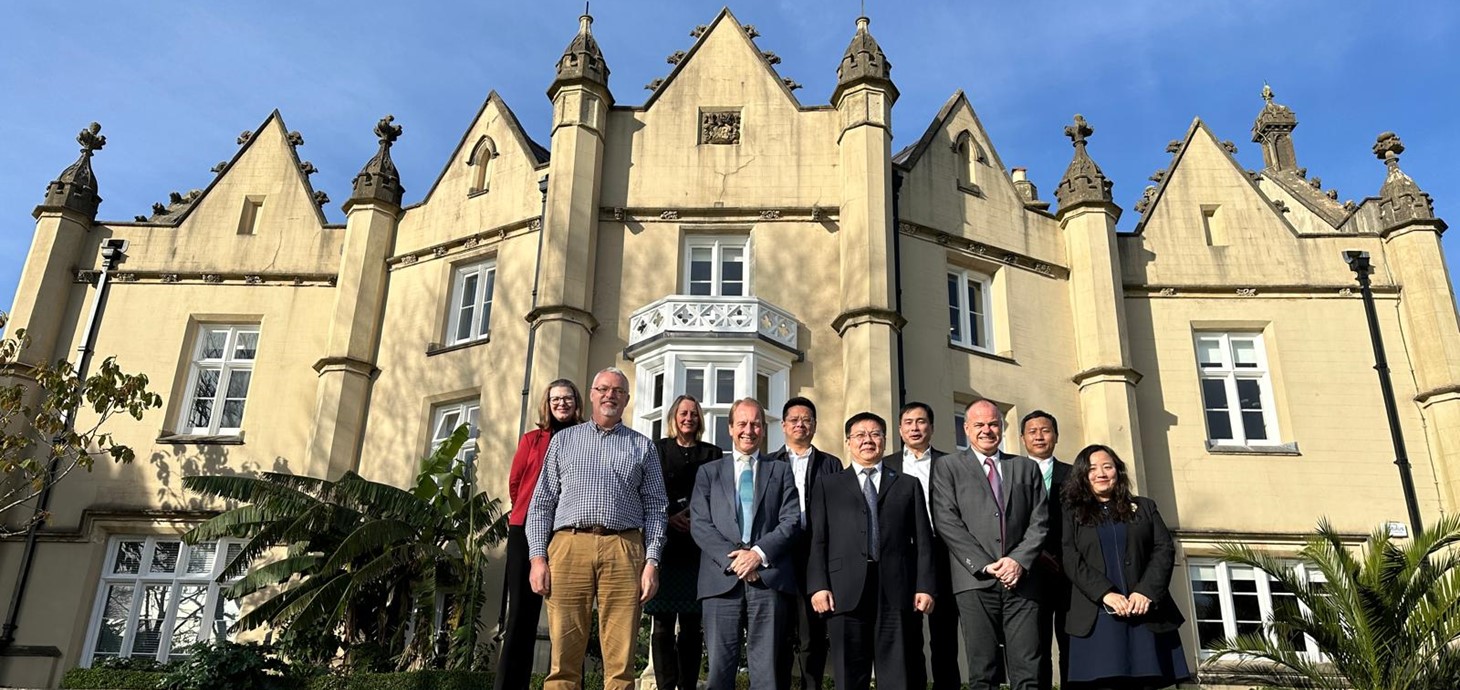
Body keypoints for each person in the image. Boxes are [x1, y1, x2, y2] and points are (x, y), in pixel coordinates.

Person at [526, 367, 669, 690]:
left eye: (618, 391)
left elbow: (657, 508)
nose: (610, 395)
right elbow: (541, 504)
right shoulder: (564, 441)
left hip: (625, 548)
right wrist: (537, 558)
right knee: (563, 657)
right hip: (568, 546)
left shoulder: (642, 447)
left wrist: (652, 562)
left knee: (620, 662)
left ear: (626, 399)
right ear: (591, 395)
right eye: (603, 389)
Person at [808, 411, 936, 690]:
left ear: (885, 440)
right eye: (860, 435)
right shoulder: (828, 485)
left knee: (898, 675)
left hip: (896, 590)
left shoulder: (907, 484)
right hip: (844, 591)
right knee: (849, 675)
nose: (868, 440)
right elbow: (818, 540)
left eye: (875, 434)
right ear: (848, 442)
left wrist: (925, 586)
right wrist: (818, 586)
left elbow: (924, 542)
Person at [931, 399, 1049, 690]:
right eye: (980, 425)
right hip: (974, 581)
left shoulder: (1026, 468)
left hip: (1021, 581)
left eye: (993, 424)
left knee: (1028, 669)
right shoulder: (947, 466)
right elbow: (947, 520)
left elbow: (1040, 521)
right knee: (983, 670)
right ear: (966, 429)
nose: (987, 430)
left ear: (1002, 427)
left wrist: (1017, 561)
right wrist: (985, 564)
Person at [690, 398, 801, 690]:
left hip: (768, 580)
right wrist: (737, 562)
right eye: (742, 423)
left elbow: (790, 520)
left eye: (755, 424)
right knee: (719, 674)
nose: (748, 430)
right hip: (720, 581)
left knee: (767, 676)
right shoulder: (709, 472)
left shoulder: (781, 471)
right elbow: (700, 525)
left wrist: (757, 555)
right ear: (730, 428)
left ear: (763, 430)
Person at [1060, 445, 1190, 690]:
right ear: (1082, 475)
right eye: (1092, 469)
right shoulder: (1072, 513)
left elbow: (1164, 549)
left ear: (1117, 472)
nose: (1101, 473)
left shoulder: (1145, 507)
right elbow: (1070, 556)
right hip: (1096, 619)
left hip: (1145, 615)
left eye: (1107, 467)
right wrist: (1105, 593)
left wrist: (1146, 592)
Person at [497, 379, 583, 690]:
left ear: (577, 403)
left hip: (567, 531)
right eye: (556, 399)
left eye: (568, 398)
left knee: (572, 616)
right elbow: (516, 484)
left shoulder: (584, 438)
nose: (562, 403)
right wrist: (531, 512)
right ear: (547, 404)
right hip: (524, 529)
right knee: (521, 615)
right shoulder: (532, 440)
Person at [883, 401, 961, 690]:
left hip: (943, 555)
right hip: (902, 558)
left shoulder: (950, 463)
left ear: (931, 427)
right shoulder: (887, 465)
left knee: (944, 638)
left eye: (921, 422)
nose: (915, 428)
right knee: (908, 637)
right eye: (908, 422)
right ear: (900, 429)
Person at [648, 395, 722, 690]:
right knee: (663, 624)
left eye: (693, 413)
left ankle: (688, 685)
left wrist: (695, 517)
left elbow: (717, 494)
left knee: (692, 625)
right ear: (674, 417)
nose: (688, 417)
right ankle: (666, 685)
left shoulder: (713, 453)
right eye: (683, 412)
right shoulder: (658, 451)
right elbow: (650, 490)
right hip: (665, 547)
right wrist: (669, 517)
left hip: (698, 549)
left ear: (699, 418)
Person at [768, 396, 842, 690]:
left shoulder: (831, 464)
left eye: (807, 419)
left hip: (815, 557)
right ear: (784, 425)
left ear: (814, 425)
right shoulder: (769, 463)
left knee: (812, 635)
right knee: (780, 636)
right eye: (794, 419)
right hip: (778, 558)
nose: (801, 424)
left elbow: (838, 514)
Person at [1020, 410, 1072, 690]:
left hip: (1068, 574)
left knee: (1070, 645)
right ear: (1022, 438)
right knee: (1034, 648)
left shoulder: (1075, 475)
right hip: (1028, 573)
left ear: (1056, 436)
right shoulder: (1012, 473)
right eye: (1032, 431)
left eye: (1045, 430)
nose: (1039, 436)